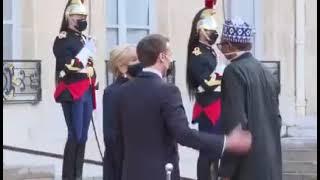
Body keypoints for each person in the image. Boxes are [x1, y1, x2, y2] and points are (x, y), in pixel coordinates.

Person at [113, 34, 252, 180]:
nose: (171, 59)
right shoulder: (167, 91)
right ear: (162, 57)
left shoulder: (123, 91)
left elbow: (116, 138)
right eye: (169, 54)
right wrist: (226, 142)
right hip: (161, 173)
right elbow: (183, 134)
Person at [216, 17, 282, 180]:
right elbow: (277, 120)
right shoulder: (266, 72)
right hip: (271, 166)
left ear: (229, 45)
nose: (221, 50)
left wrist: (226, 172)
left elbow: (236, 126)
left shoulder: (233, 72)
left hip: (247, 169)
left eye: (222, 45)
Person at [52, 0, 98, 179]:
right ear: (69, 17)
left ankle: (78, 174)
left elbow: (89, 65)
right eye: (79, 16)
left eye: (84, 16)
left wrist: (93, 76)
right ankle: (68, 176)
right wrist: (87, 52)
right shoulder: (62, 38)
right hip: (72, 90)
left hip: (86, 89)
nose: (82, 19)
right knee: (75, 134)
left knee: (84, 136)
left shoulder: (84, 39)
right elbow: (67, 66)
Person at [186, 0, 226, 179]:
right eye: (210, 31)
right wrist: (222, 73)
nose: (214, 34)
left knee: (216, 151)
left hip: (217, 104)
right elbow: (206, 83)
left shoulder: (209, 51)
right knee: (208, 152)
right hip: (208, 105)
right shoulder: (197, 52)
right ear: (201, 30)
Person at [103, 44, 142, 180]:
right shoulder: (113, 92)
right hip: (121, 163)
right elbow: (111, 135)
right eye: (134, 60)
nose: (140, 63)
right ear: (121, 66)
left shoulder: (142, 87)